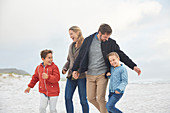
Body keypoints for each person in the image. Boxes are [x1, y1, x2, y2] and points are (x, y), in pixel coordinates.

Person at [72, 24, 141, 113]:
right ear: (99, 33)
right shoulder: (88, 40)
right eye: (105, 37)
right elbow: (80, 56)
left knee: (101, 99)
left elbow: (121, 54)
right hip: (90, 74)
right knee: (90, 98)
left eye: (108, 37)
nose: (107, 39)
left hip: (102, 74)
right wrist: (75, 69)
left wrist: (133, 66)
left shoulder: (110, 43)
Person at [62, 26, 89, 113]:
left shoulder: (85, 45)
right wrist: (65, 68)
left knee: (83, 100)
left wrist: (78, 71)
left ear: (77, 33)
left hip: (82, 76)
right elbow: (69, 60)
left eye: (71, 34)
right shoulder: (71, 46)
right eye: (69, 34)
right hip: (70, 76)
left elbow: (86, 61)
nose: (70, 36)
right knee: (67, 97)